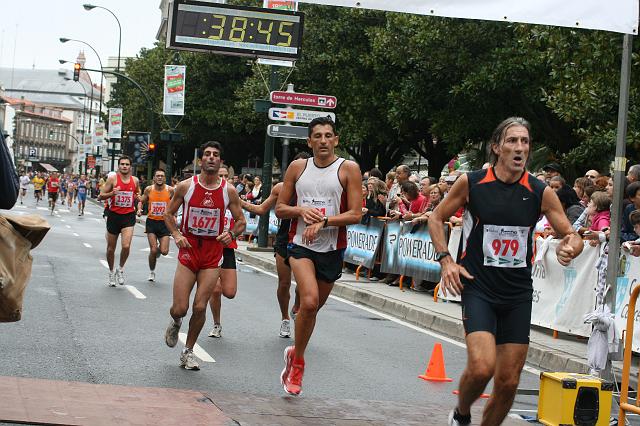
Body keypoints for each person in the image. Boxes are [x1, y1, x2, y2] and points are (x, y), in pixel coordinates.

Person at [428, 117, 583, 426]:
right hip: (478, 286)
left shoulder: (540, 191)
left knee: (509, 382)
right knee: (483, 367)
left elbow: (572, 234)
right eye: (512, 141)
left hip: (517, 293)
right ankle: (461, 414)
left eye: (525, 142)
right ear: (496, 148)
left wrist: (572, 247)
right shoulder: (472, 182)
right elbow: (436, 217)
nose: (520, 148)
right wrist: (447, 260)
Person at [275, 117, 362, 395]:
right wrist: (300, 211)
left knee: (311, 310)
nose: (323, 141)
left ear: (336, 140)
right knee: (308, 301)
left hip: (332, 248)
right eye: (317, 136)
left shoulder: (348, 169)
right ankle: (298, 365)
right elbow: (279, 208)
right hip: (300, 246)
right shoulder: (298, 168)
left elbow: (356, 214)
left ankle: (293, 353)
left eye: (328, 136)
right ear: (309, 141)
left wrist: (325, 221)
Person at [163, 142, 245, 371]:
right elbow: (168, 214)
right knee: (180, 308)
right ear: (201, 161)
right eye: (207, 154)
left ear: (220, 162)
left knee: (200, 307)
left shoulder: (228, 191)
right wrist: (177, 235)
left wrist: (231, 234)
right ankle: (176, 321)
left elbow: (241, 221)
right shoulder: (186, 186)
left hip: (212, 254)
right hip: (189, 251)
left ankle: (187, 351)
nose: (211, 158)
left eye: (216, 155)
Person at [242, 152, 310, 338]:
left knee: (303, 285)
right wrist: (237, 200)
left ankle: (297, 307)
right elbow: (261, 209)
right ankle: (285, 318)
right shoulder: (281, 188)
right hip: (284, 239)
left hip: (305, 240)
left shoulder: (315, 189)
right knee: (284, 283)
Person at [206, 165, 239, 338]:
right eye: (221, 175)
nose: (224, 179)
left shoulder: (233, 196)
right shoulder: (208, 194)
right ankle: (216, 324)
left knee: (230, 292)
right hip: (211, 248)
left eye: (227, 176)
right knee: (216, 289)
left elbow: (242, 219)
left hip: (227, 249)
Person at [98, 156, 141, 287]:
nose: (124, 166)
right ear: (118, 166)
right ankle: (111, 272)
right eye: (122, 164)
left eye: (127, 164)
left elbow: (138, 194)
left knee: (126, 246)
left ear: (130, 167)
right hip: (114, 216)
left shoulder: (135, 180)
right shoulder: (112, 179)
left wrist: (138, 201)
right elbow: (100, 196)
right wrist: (112, 193)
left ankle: (120, 269)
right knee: (111, 249)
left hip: (128, 216)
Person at [137, 169, 174, 282]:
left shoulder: (170, 190)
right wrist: (139, 209)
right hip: (152, 222)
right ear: (154, 178)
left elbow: (176, 203)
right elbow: (142, 200)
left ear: (165, 178)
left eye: (162, 176)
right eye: (157, 176)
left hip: (165, 223)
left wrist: (174, 214)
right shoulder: (149, 189)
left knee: (164, 251)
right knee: (153, 250)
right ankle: (152, 271)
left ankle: (158, 251)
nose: (160, 178)